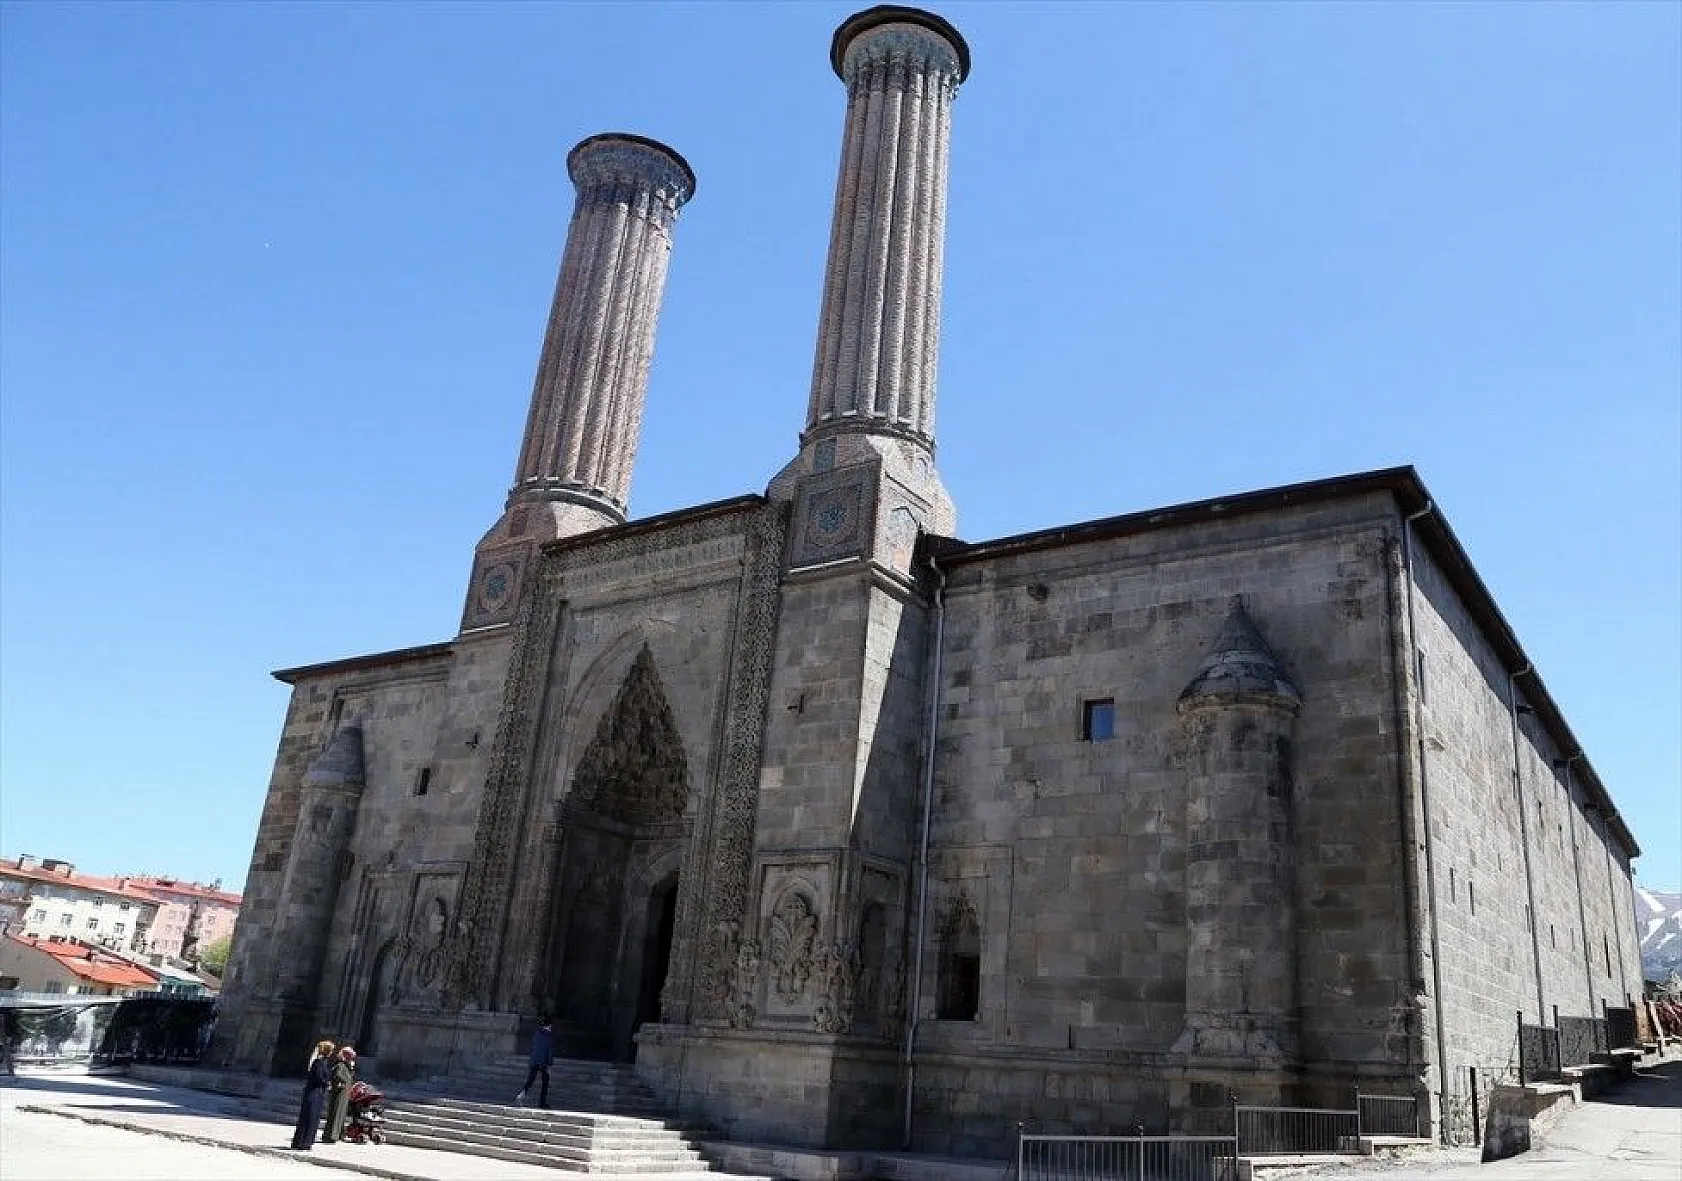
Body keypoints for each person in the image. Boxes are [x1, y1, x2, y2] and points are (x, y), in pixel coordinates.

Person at [290, 1040, 335, 1150]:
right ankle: (302, 1142)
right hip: (314, 1093)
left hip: (317, 1093)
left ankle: (305, 1142)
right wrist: (327, 1083)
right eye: (331, 1050)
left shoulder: (323, 1062)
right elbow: (318, 1077)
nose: (332, 1053)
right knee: (309, 1117)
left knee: (312, 1118)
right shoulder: (318, 1062)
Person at [515, 1016, 553, 1108]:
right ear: (550, 1025)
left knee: (530, 1080)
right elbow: (549, 1050)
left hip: (534, 1060)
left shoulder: (537, 1034)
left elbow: (533, 1047)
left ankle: (522, 1094)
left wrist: (531, 1060)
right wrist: (550, 1064)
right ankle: (542, 1102)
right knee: (545, 1083)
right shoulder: (549, 1036)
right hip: (544, 1062)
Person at [322, 1046, 357, 1143]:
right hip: (339, 1093)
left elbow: (351, 1076)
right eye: (350, 1056)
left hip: (344, 1094)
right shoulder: (340, 1064)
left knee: (340, 1115)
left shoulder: (347, 1066)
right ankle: (331, 1135)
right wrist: (345, 1081)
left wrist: (351, 1068)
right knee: (335, 1114)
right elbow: (337, 1075)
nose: (352, 1058)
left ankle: (337, 1134)